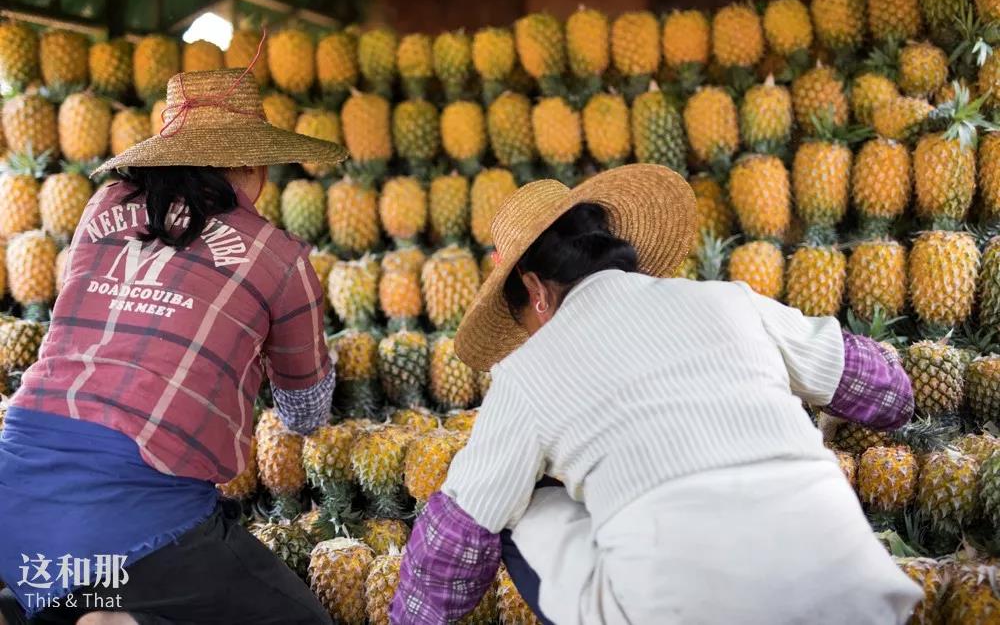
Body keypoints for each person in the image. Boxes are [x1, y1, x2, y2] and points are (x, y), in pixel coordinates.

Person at [390, 164, 923, 624]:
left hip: (686, 613)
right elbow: (886, 391)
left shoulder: (525, 374)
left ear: (535, 291)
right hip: (858, 596)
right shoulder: (730, 300)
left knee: (513, 507)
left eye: (523, 321)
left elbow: (453, 547)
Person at [0, 59, 346, 625]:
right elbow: (304, 414)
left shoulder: (102, 205)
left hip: (17, 492)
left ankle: (85, 612)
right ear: (253, 166)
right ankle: (112, 614)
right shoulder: (279, 258)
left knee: (91, 597)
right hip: (137, 521)